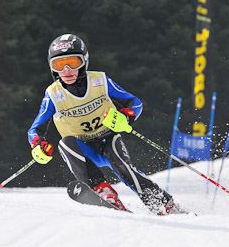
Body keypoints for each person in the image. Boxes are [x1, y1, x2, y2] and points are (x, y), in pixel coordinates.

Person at [27, 34, 185, 215]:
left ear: (84, 62)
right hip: (82, 149)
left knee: (124, 169)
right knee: (64, 144)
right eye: (59, 65)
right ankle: (104, 191)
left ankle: (163, 204)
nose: (67, 70)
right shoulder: (53, 94)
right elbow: (35, 129)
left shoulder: (99, 81)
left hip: (107, 140)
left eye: (73, 62)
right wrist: (37, 145)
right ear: (52, 67)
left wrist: (126, 116)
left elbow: (134, 102)